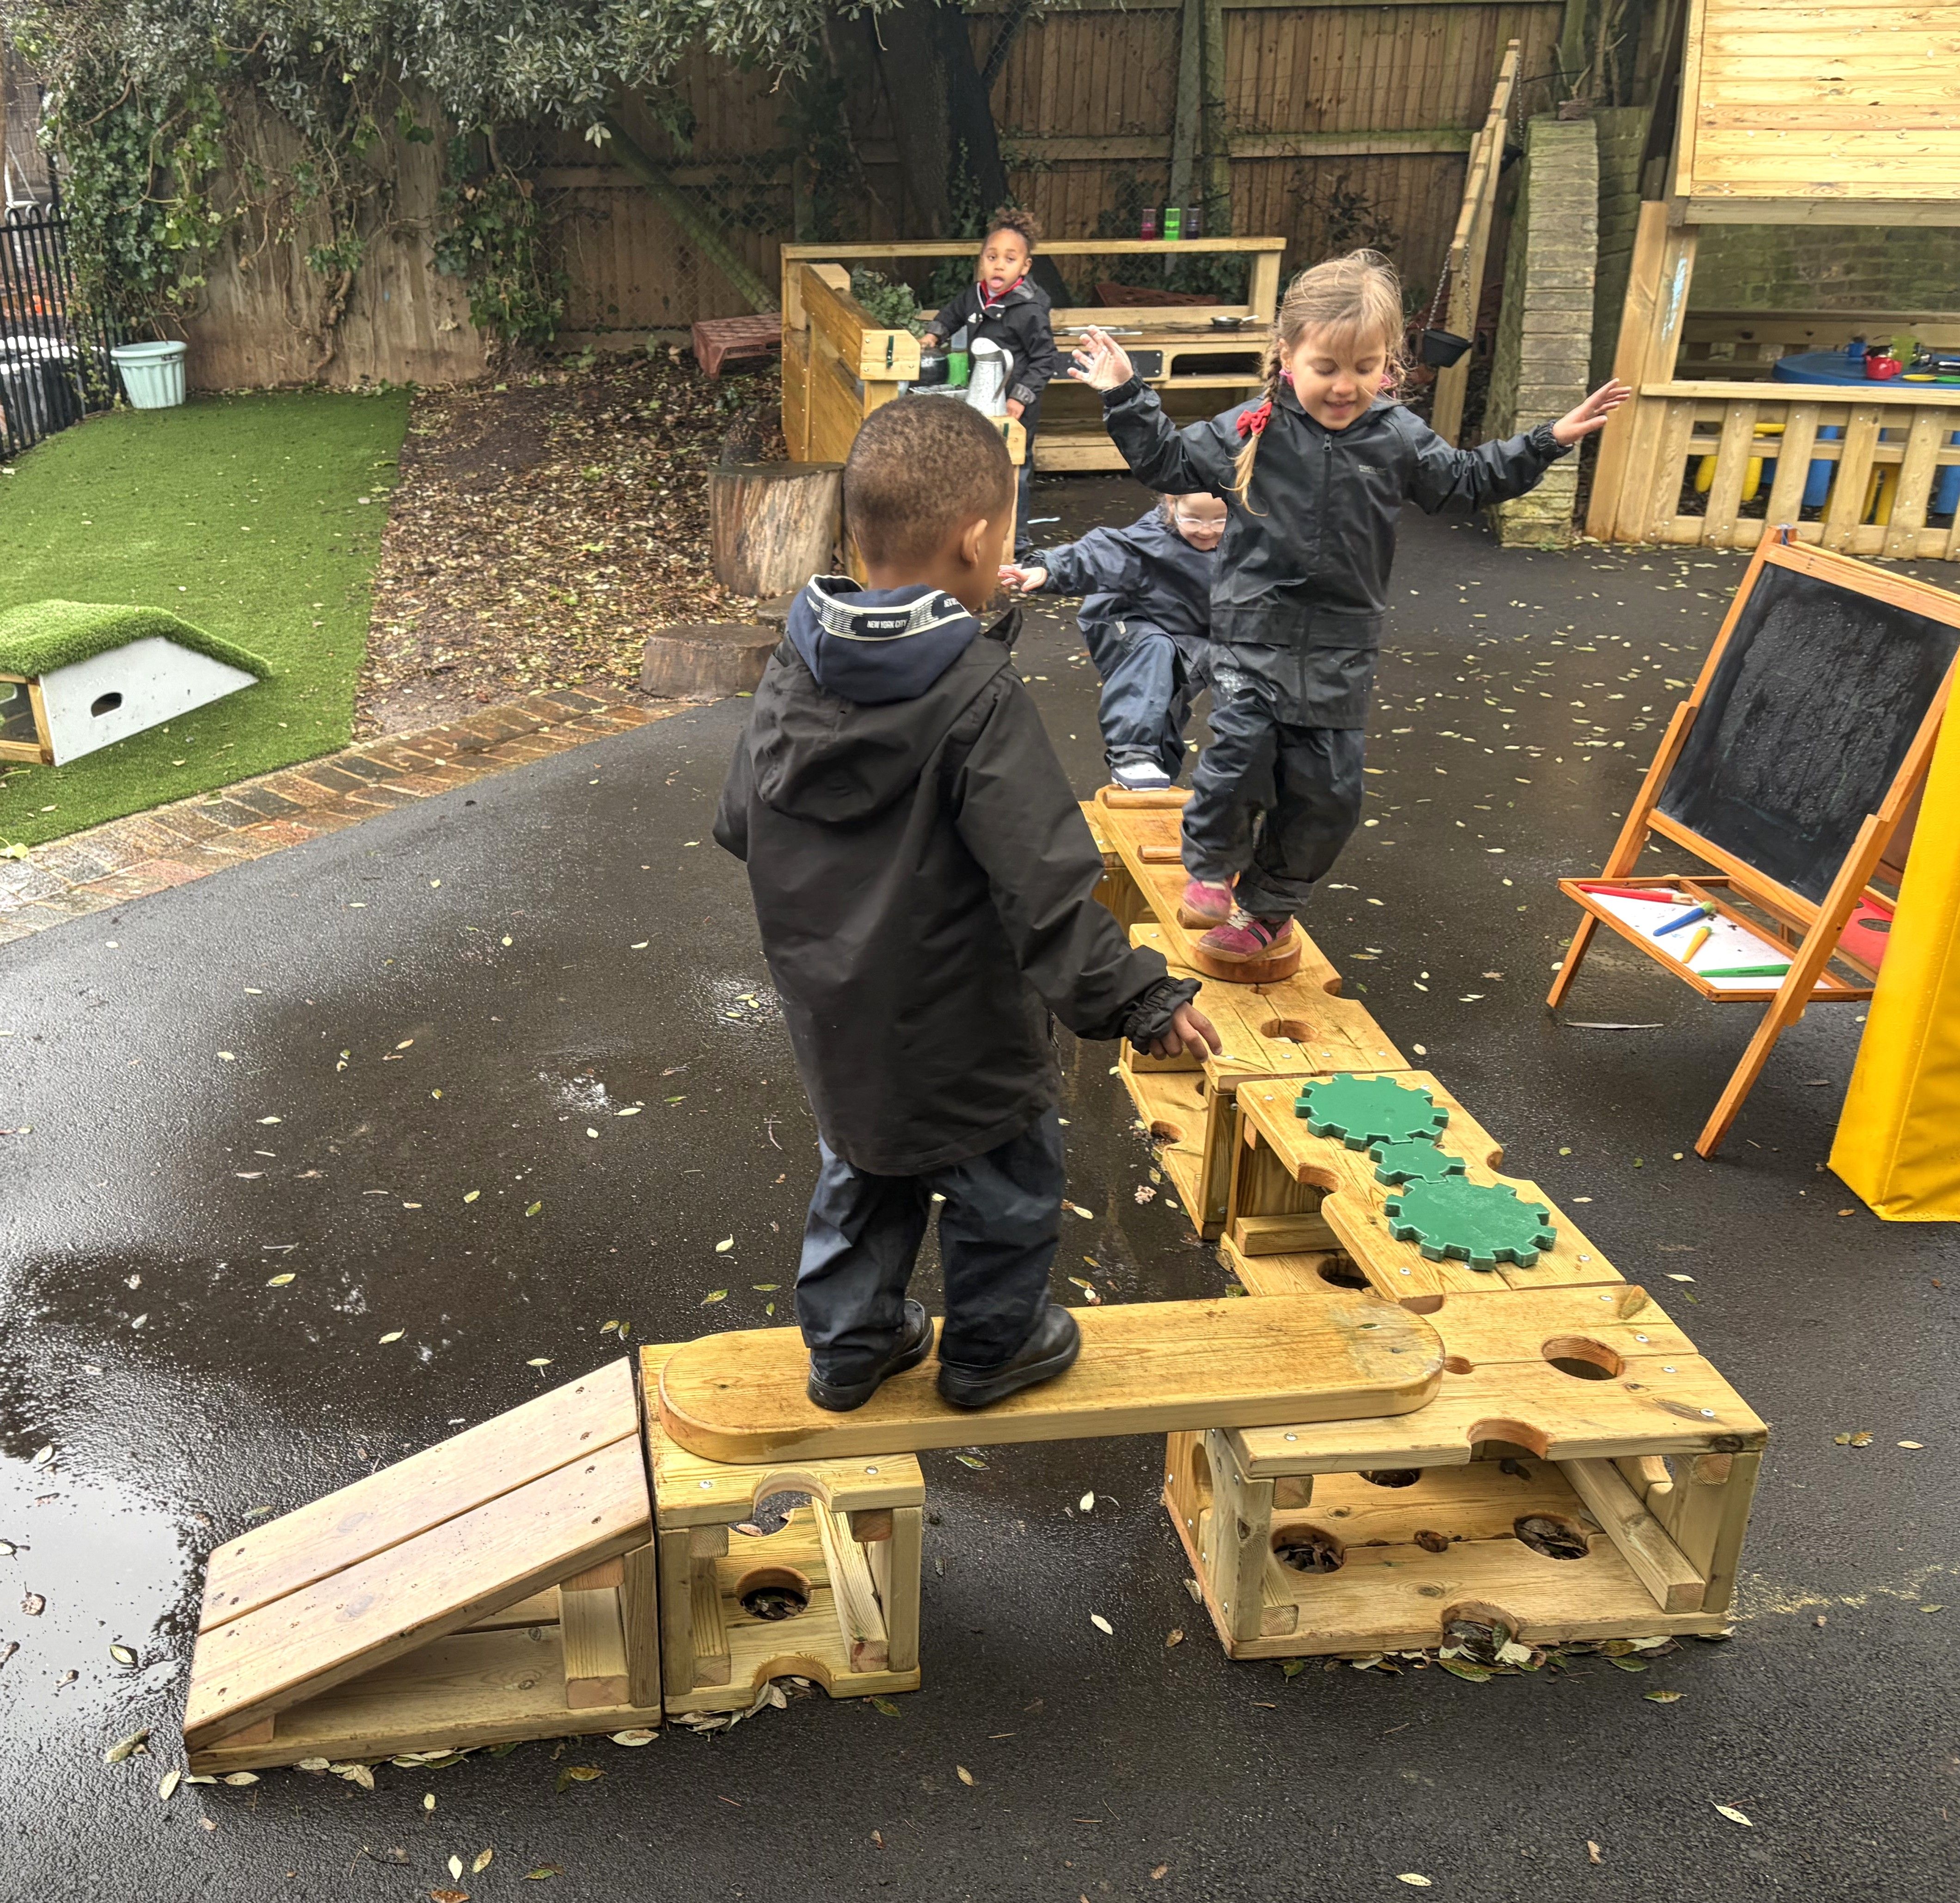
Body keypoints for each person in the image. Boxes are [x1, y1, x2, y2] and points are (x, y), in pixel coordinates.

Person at [714, 396, 1220, 1413]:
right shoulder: (976, 695)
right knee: (1004, 1180)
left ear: (853, 535)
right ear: (979, 541)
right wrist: (1137, 999)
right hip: (965, 1020)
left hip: (838, 1012)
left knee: (865, 1166)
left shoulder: (792, 668)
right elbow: (1043, 885)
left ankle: (850, 1347)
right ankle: (993, 1348)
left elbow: (741, 817)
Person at [1069, 248, 1630, 962]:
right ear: (1288, 357)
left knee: (1327, 794)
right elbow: (1166, 464)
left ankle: (1268, 909)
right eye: (1327, 368)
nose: (1345, 387)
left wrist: (1550, 440)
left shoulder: (1395, 436)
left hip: (1341, 647)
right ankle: (1211, 862)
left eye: (1365, 369)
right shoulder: (1254, 428)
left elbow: (1464, 482)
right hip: (1254, 637)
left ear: (1388, 364)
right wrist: (1125, 393)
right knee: (1241, 756)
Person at [1000, 493, 1226, 792]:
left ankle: (1157, 770)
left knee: (1170, 700)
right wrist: (1048, 568)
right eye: (1193, 519)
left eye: (1220, 520)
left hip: (1190, 637)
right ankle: (1132, 753)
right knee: (1155, 648)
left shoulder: (1249, 543)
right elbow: (1098, 554)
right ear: (1172, 507)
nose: (1206, 530)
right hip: (1126, 623)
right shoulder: (1150, 541)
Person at [919, 207, 1064, 559]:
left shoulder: (1029, 311)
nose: (999, 265)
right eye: (992, 257)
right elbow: (952, 314)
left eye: (1010, 259)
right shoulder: (976, 296)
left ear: (1025, 267)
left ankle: (1018, 543)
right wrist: (934, 335)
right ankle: (976, 534)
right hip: (982, 395)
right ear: (982, 260)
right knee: (977, 463)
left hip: (1015, 402)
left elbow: (1046, 359)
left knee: (1016, 469)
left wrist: (1021, 397)